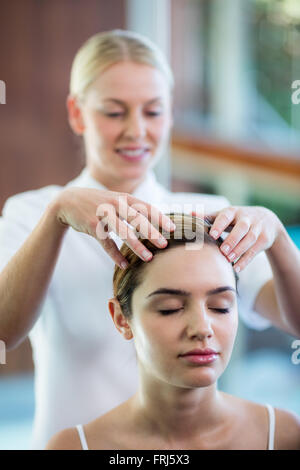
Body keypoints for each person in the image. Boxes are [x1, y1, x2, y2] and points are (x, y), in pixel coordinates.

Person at [0, 29, 299, 450]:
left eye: (153, 112)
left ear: (171, 115)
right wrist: (58, 215)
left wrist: (277, 238)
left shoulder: (208, 216)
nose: (136, 131)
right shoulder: (33, 213)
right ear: (77, 112)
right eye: (114, 112)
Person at [45, 213, 300, 450]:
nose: (202, 329)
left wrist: (278, 235)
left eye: (220, 307)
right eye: (170, 309)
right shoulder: (75, 446)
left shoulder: (281, 435)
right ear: (122, 319)